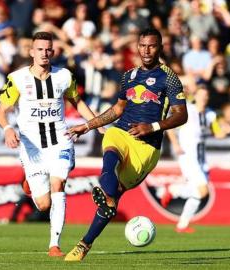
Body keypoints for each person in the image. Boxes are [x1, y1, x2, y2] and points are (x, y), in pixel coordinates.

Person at [64, 28, 188, 261]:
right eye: (142, 45)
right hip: (122, 131)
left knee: (112, 199)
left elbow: (182, 115)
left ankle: (85, 243)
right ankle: (107, 196)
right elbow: (118, 110)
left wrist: (151, 127)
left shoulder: (169, 77)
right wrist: (88, 125)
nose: (146, 50)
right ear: (137, 47)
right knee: (110, 151)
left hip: (147, 147)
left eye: (151, 45)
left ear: (160, 47)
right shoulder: (129, 75)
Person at [0, 31, 100, 257]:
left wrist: (95, 123)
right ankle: (30, 184)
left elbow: (77, 102)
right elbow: (2, 110)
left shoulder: (64, 76)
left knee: (58, 185)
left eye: (48, 49)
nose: (44, 53)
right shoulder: (17, 79)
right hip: (32, 146)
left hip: (60, 141)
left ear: (53, 51)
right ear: (32, 52)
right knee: (43, 204)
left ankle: (54, 244)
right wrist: (7, 128)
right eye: (40, 49)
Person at [165, 86, 230, 233]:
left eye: (206, 95)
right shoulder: (187, 110)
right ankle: (173, 190)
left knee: (199, 193)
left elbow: (217, 134)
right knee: (202, 191)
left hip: (201, 158)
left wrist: (226, 131)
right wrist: (175, 144)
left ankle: (182, 225)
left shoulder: (210, 114)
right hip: (188, 156)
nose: (204, 98)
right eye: (201, 95)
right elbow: (168, 125)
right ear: (196, 96)